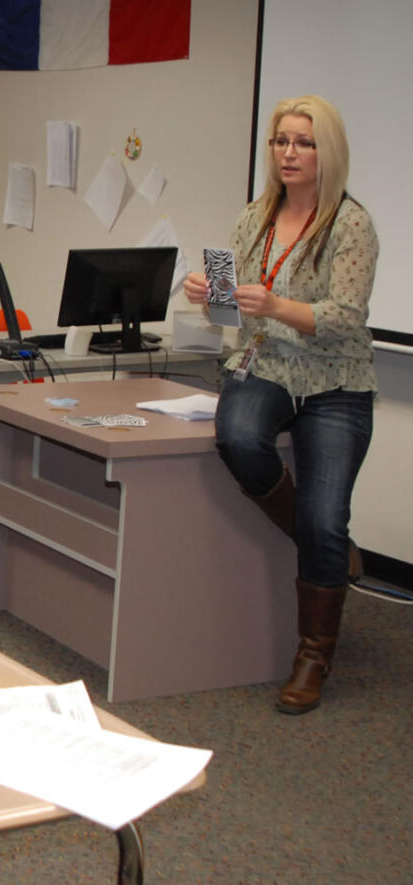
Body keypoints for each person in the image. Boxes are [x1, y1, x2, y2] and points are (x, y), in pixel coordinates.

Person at [183, 95, 378, 715]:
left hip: (335, 379)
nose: (289, 153)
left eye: (304, 142)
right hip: (262, 364)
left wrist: (274, 306)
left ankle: (313, 656)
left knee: (327, 516)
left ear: (328, 152)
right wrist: (206, 294)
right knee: (238, 438)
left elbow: (345, 321)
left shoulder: (351, 225)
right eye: (281, 142)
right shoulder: (254, 218)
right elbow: (230, 310)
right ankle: (325, 551)